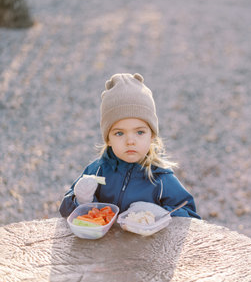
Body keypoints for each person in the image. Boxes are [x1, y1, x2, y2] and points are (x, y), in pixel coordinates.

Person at [59, 73, 200, 219]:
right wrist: (81, 201)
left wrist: (158, 213)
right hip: (102, 241)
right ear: (108, 139)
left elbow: (190, 215)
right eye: (119, 133)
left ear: (151, 135)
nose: (130, 141)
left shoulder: (161, 178)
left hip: (148, 242)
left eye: (139, 132)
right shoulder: (97, 170)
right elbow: (65, 210)